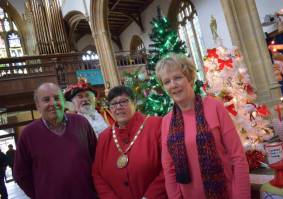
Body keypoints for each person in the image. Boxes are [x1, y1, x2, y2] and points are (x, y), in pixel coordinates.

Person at [155, 54, 250, 199]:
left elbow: (237, 157)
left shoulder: (214, 107)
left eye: (178, 78)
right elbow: (169, 169)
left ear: (190, 79)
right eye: (167, 82)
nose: (173, 85)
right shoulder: (166, 121)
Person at [14, 82, 98, 199]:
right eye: (46, 100)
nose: (53, 103)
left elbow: (96, 159)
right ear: (38, 106)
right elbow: (21, 174)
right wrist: (40, 194)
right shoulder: (28, 134)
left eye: (57, 98)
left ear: (64, 102)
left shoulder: (81, 123)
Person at [92, 86, 167, 199]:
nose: (118, 107)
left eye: (123, 101)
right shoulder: (104, 137)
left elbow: (169, 166)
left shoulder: (157, 125)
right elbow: (97, 174)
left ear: (134, 103)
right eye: (113, 104)